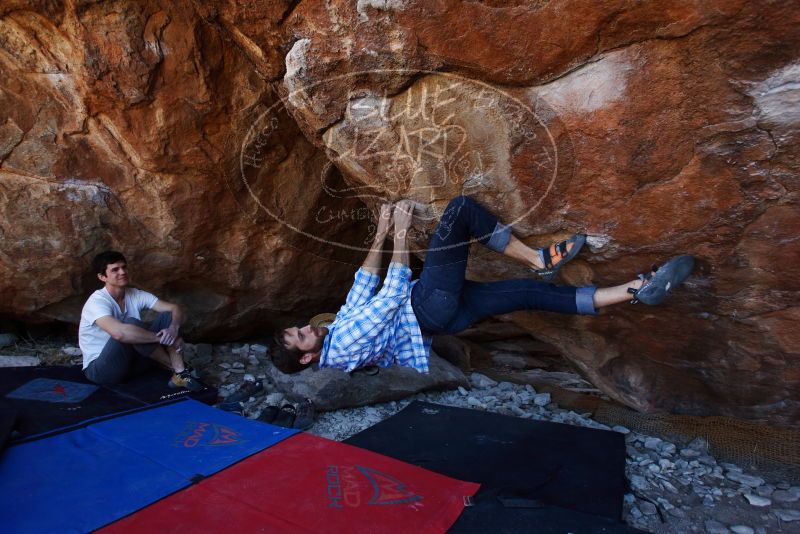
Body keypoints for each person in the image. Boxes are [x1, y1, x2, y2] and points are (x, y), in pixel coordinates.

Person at [273, 196, 694, 374]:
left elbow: (361, 286)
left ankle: (636, 289)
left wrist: (381, 230)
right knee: (459, 212)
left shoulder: (332, 334)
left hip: (442, 318)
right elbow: (390, 295)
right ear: (308, 359)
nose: (306, 328)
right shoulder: (342, 347)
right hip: (424, 306)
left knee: (528, 295)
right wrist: (401, 232)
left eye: (298, 328)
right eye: (301, 337)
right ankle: (535, 257)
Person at [78, 251, 202, 390]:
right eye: (115, 270)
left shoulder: (134, 294)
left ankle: (180, 372)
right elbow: (120, 334)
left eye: (124, 267)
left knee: (168, 315)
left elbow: (175, 308)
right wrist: (165, 339)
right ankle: (179, 369)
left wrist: (173, 329)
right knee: (130, 325)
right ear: (102, 277)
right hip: (102, 370)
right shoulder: (97, 301)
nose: (122, 272)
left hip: (133, 364)